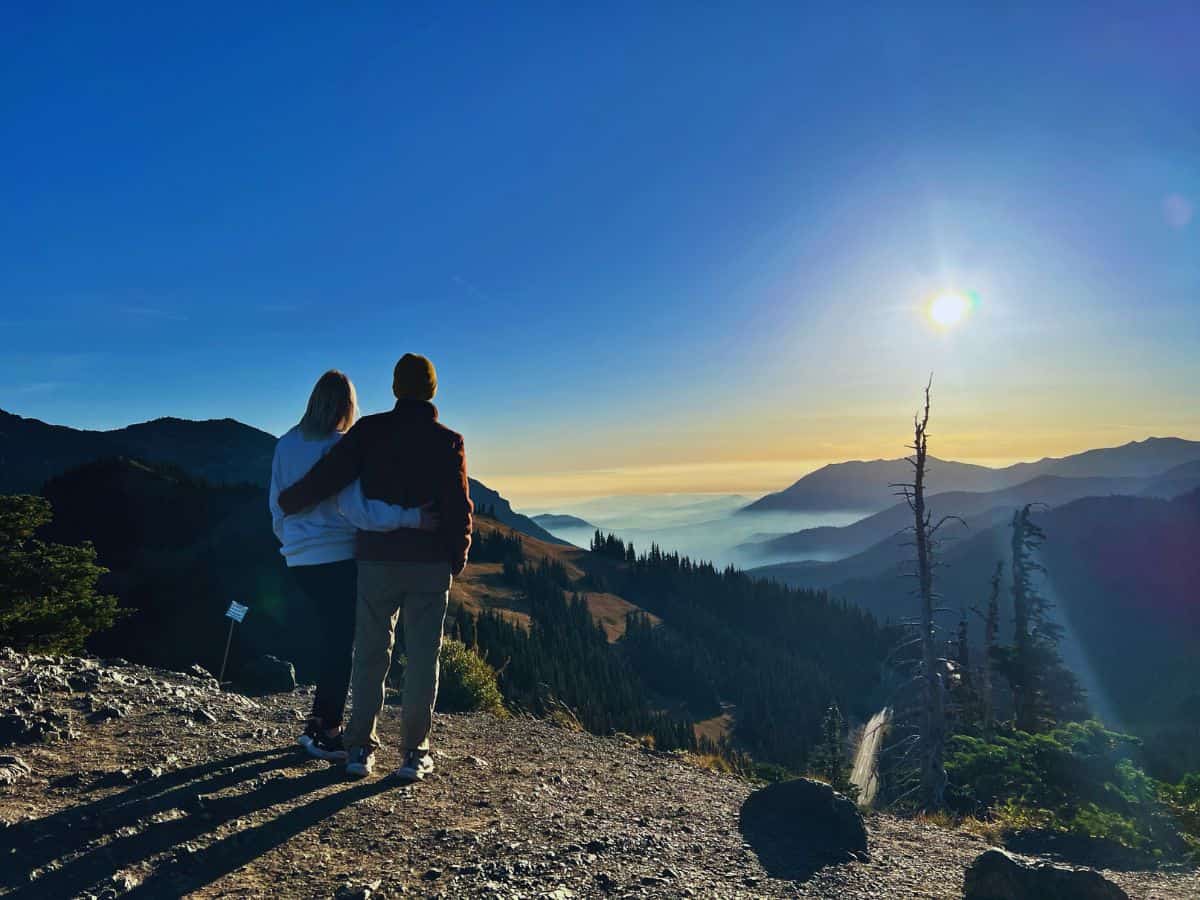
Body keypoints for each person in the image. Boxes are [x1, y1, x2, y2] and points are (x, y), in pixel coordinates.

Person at [277, 354, 472, 782]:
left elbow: (329, 476)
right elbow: (459, 508)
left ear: (396, 389)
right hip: (427, 566)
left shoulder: (368, 431)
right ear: (432, 390)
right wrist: (456, 558)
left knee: (369, 656)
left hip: (376, 564)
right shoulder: (448, 441)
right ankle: (413, 754)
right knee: (422, 661)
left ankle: (359, 750)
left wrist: (289, 503)